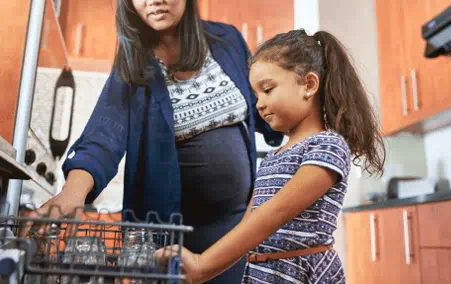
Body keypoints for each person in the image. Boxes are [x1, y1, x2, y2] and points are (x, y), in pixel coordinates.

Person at [27, 0, 282, 283]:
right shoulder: (134, 62)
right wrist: (73, 192)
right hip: (167, 242)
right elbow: (103, 136)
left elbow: (264, 107)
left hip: (236, 233)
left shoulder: (228, 40)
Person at [155, 29, 386, 284]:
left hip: (300, 274)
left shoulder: (328, 146)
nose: (259, 104)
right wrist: (206, 264)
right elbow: (248, 228)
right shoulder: (273, 158)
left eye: (268, 89)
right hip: (263, 275)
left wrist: (203, 265)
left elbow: (273, 214)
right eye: (256, 95)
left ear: (308, 85)